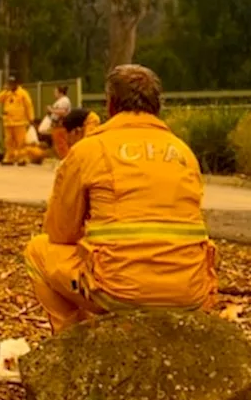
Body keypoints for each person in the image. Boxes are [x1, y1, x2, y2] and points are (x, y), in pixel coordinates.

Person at [23, 65, 217, 333]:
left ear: (111, 105)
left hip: (119, 290)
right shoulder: (183, 152)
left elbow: (59, 232)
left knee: (38, 251)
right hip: (190, 292)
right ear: (157, 106)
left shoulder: (89, 150)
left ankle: (73, 345)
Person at [0, 76, 35, 166]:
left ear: (16, 84)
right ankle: (9, 158)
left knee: (21, 142)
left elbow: (29, 106)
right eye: (9, 83)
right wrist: (5, 90)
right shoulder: (7, 93)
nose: (10, 85)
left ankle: (22, 158)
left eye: (12, 83)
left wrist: (31, 118)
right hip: (8, 122)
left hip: (19, 122)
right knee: (8, 141)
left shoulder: (23, 93)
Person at [48, 85, 73, 159]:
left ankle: (66, 160)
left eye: (55, 92)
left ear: (60, 92)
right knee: (58, 144)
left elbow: (62, 112)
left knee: (62, 144)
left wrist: (51, 110)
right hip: (56, 125)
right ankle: (63, 159)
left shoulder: (64, 100)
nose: (54, 93)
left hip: (61, 125)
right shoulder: (60, 101)